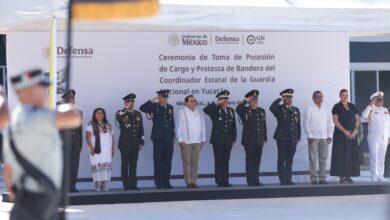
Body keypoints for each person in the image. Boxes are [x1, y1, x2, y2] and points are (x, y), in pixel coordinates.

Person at [2, 68, 82, 220]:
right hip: (37, 203)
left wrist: (16, 194)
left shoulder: (14, 121)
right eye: (43, 88)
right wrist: (65, 104)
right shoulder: (37, 117)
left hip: (25, 202)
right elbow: (74, 117)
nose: (47, 92)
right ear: (28, 91)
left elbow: (8, 168)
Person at [140, 89, 175, 189]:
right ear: (159, 98)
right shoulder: (154, 107)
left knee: (168, 162)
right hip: (158, 138)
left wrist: (173, 136)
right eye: (163, 97)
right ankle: (159, 183)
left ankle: (167, 182)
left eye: (166, 97)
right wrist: (153, 100)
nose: (165, 99)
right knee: (158, 162)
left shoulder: (170, 107)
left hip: (168, 139)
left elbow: (171, 122)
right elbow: (142, 108)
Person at [204, 90, 237, 187]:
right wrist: (217, 103)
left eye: (227, 99)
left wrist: (234, 138)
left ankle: (225, 180)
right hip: (217, 140)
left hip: (228, 140)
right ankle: (219, 181)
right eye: (224, 100)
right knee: (218, 160)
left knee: (226, 160)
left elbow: (233, 126)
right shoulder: (215, 110)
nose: (226, 101)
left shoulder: (231, 110)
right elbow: (206, 110)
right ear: (220, 101)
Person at [236, 90, 267, 186]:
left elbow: (263, 125)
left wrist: (265, 137)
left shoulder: (261, 111)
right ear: (250, 101)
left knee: (257, 161)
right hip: (249, 140)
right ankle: (250, 181)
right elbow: (238, 109)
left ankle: (256, 180)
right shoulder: (245, 110)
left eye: (256, 99)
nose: (255, 101)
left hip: (259, 140)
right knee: (250, 161)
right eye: (253, 99)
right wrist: (246, 100)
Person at [270, 89, 301, 185]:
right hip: (282, 138)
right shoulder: (279, 108)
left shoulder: (296, 109)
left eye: (291, 97)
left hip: (293, 138)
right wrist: (280, 99)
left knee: (290, 159)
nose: (290, 99)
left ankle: (288, 178)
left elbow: (298, 124)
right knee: (282, 158)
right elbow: (272, 108)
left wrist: (298, 137)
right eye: (288, 97)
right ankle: (282, 179)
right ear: (284, 99)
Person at [330, 89, 360, 184]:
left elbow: (357, 119)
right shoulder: (336, 107)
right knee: (341, 154)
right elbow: (335, 121)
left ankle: (349, 176)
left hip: (352, 133)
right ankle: (342, 177)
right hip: (340, 134)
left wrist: (355, 130)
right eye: (343, 95)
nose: (345, 97)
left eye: (346, 95)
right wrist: (344, 131)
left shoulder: (352, 106)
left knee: (351, 154)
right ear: (340, 96)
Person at [176, 95, 206, 188]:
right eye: (191, 100)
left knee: (195, 163)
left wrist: (203, 139)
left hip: (197, 142)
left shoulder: (199, 112)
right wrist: (180, 140)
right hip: (186, 142)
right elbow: (178, 127)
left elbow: (203, 127)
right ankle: (188, 182)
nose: (194, 102)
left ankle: (194, 181)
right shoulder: (182, 112)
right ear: (186, 103)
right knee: (187, 163)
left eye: (195, 100)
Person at [303, 91, 333, 184]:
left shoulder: (325, 109)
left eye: (321, 97)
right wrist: (309, 135)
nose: (320, 99)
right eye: (318, 97)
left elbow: (329, 122)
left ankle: (322, 178)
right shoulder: (309, 108)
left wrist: (329, 135)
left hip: (324, 137)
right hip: (313, 137)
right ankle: (313, 178)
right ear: (313, 98)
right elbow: (306, 122)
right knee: (313, 158)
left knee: (323, 158)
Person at [116, 93, 144, 190]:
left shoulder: (137, 114)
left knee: (133, 164)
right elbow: (118, 118)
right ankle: (126, 184)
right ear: (125, 102)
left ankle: (133, 184)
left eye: (133, 102)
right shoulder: (121, 113)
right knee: (125, 164)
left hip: (135, 143)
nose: (131, 104)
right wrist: (125, 108)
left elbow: (141, 129)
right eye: (129, 102)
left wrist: (141, 142)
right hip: (125, 143)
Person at [361, 91, 389, 182]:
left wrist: (388, 136)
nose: (381, 101)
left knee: (381, 157)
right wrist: (370, 105)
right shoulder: (371, 109)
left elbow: (388, 124)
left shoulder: (385, 110)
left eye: (382, 100)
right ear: (374, 100)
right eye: (379, 99)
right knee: (374, 156)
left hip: (384, 137)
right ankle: (374, 176)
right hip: (374, 137)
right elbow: (364, 116)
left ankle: (380, 176)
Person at [59, 89, 83, 193]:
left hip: (76, 142)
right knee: (64, 164)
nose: (72, 100)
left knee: (74, 165)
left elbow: (80, 130)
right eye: (70, 98)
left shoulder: (79, 112)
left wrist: (81, 144)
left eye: (73, 98)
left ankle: (72, 186)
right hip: (64, 142)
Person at [86, 108, 114, 192]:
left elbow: (112, 137)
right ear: (95, 115)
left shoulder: (108, 125)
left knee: (106, 166)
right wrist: (91, 147)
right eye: (98, 113)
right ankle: (97, 185)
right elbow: (87, 137)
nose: (100, 114)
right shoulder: (91, 124)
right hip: (96, 150)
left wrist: (112, 148)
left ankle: (104, 185)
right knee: (97, 165)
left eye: (102, 113)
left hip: (107, 150)